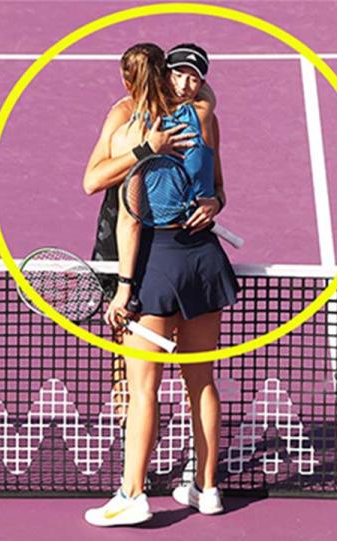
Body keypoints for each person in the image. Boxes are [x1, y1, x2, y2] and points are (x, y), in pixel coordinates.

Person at [82, 43, 238, 527]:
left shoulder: (136, 131)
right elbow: (217, 187)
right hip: (205, 262)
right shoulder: (204, 119)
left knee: (142, 388)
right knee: (202, 381)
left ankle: (133, 494)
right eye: (181, 74)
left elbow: (127, 220)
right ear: (168, 77)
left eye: (194, 76)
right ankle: (207, 489)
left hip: (157, 265)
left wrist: (125, 289)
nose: (188, 82)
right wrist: (211, 202)